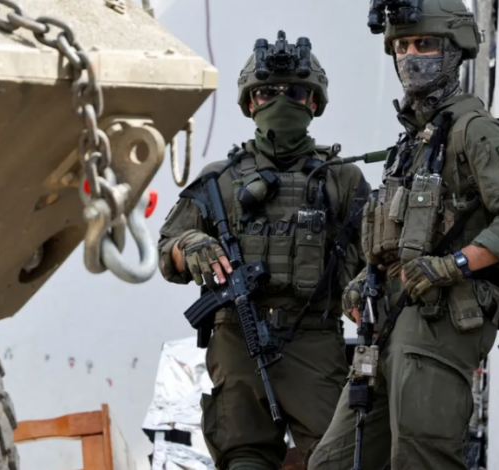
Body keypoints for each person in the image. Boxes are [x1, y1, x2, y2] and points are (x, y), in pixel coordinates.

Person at [308, 1, 499, 469]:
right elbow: (401, 236)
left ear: (454, 50)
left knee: (423, 459)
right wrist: (366, 278)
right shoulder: (414, 141)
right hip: (387, 324)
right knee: (332, 462)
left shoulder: (474, 130)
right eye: (402, 46)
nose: (410, 56)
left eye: (424, 44)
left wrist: (455, 264)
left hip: (439, 325)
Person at [157, 31, 371, 470]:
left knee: (339, 459)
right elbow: (167, 251)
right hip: (238, 339)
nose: (280, 101)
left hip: (314, 341)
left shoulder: (342, 180)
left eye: (294, 92)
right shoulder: (219, 180)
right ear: (250, 103)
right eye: (267, 93)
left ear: (314, 102)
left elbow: (375, 257)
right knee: (244, 458)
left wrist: (366, 285)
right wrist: (191, 245)